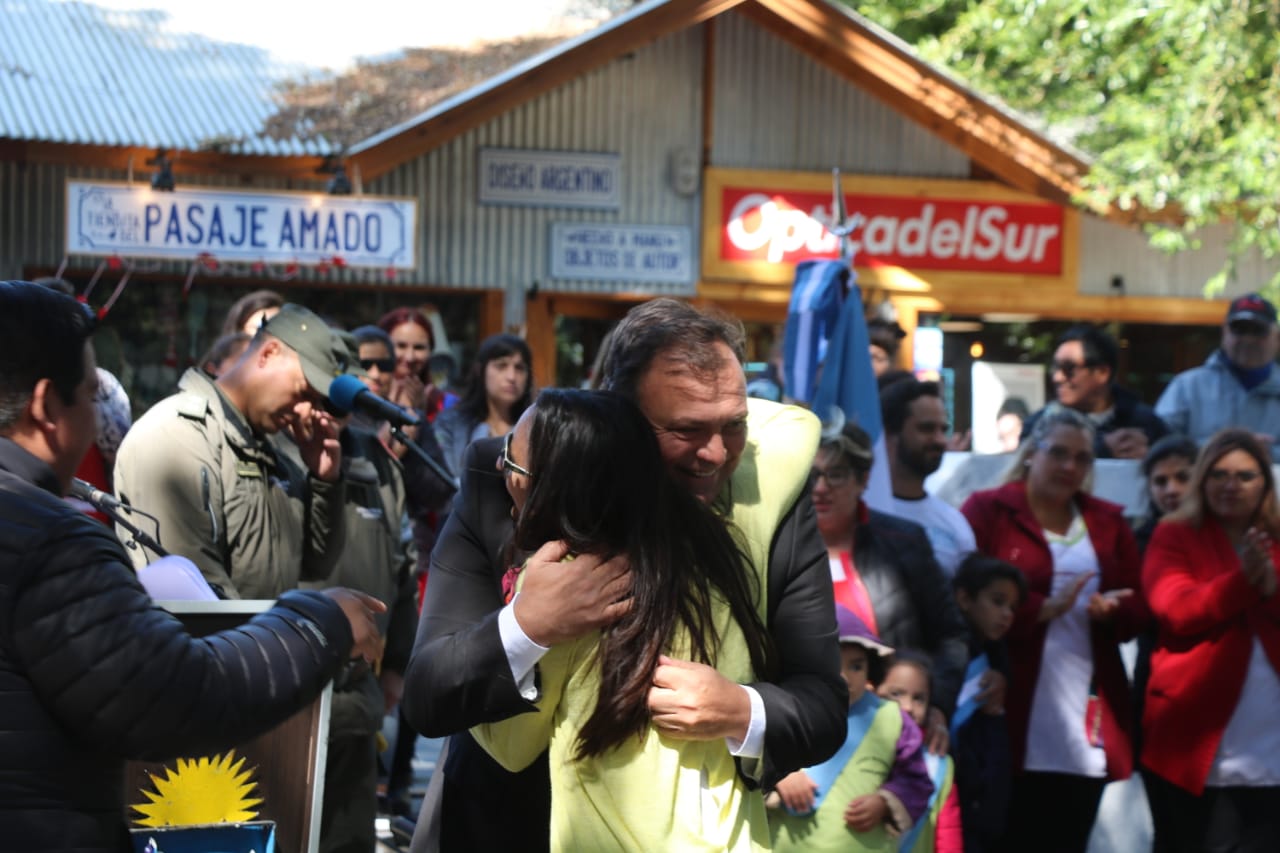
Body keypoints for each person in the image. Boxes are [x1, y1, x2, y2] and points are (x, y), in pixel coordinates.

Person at [402, 297, 847, 852]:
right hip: (501, 828)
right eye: (685, 429)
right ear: (618, 416)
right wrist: (526, 627)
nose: (714, 453)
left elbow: (823, 704)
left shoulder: (773, 487)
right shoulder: (514, 473)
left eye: (733, 425)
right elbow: (427, 693)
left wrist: (739, 710)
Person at [0, 280, 386, 850]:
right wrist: (317, 625)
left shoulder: (277, 447)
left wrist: (323, 484)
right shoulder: (57, 537)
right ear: (44, 407)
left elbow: (308, 558)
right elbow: (169, 689)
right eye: (87, 394)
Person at [472, 389, 777, 850]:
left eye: (513, 465)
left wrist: (518, 626)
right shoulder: (726, 552)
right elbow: (798, 430)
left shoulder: (560, 588)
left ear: (553, 485)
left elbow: (509, 747)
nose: (498, 469)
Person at [960, 408, 1149, 853]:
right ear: (1031, 453)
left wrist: (1113, 611)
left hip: (1086, 717)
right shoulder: (989, 510)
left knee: (1069, 834)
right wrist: (1037, 611)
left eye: (1083, 459)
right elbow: (962, 601)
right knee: (1002, 835)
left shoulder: (1107, 520)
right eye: (1058, 453)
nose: (1070, 467)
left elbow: (1138, 607)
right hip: (1006, 704)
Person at [114, 303, 349, 599]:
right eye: (303, 392)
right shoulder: (176, 436)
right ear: (268, 353)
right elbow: (191, 602)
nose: (307, 412)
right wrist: (288, 631)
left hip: (259, 643)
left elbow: (316, 565)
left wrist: (324, 481)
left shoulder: (272, 451)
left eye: (317, 402)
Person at [297, 336, 419, 853]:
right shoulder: (282, 450)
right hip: (294, 698)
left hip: (361, 699)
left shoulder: (380, 460)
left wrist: (396, 664)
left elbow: (404, 569)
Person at [1141, 429, 1280, 852]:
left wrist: (1271, 588)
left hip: (1270, 748)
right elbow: (1176, 610)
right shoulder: (1174, 535)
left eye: (1245, 475)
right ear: (1202, 480)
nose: (1231, 485)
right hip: (1194, 744)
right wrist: (1245, 582)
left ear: (1265, 484)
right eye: (1218, 474)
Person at [810, 421, 970, 754]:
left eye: (836, 474)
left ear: (863, 479)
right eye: (811, 477)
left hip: (892, 731)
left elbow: (951, 635)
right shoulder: (776, 546)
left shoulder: (905, 541)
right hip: (808, 726)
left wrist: (937, 705)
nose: (821, 488)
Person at [769, 607, 932, 853]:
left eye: (856, 666)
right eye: (834, 663)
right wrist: (779, 775)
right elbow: (746, 759)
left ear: (872, 668)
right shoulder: (780, 706)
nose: (846, 677)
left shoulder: (893, 719)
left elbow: (916, 780)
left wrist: (885, 802)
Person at [950, 553, 1027, 853]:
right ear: (964, 598)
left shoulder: (996, 663)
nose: (1007, 614)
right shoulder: (946, 660)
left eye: (1012, 607)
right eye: (997, 601)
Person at [1156, 293, 1280, 461]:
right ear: (1224, 333)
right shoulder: (1187, 387)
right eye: (1239, 329)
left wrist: (1269, 454)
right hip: (1200, 487)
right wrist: (1218, 448)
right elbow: (1158, 445)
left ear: (1277, 338)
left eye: (1258, 331)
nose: (1248, 339)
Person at [1021, 324, 1168, 460]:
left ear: (1102, 373)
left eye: (1068, 368)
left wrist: (1152, 458)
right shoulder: (1036, 425)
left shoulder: (1146, 424)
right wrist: (1101, 449)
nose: (1057, 377)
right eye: (1055, 367)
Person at [880, 378, 977, 575]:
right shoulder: (859, 511)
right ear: (891, 433)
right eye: (926, 429)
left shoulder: (955, 524)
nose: (940, 440)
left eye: (943, 429)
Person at [878, 651, 963, 853]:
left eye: (919, 699)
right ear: (872, 691)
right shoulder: (847, 746)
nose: (907, 707)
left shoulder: (937, 765)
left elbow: (948, 832)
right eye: (896, 694)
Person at [432, 333, 534, 477]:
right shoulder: (450, 423)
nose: (512, 377)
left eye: (519, 368)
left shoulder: (536, 428)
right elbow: (446, 480)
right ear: (480, 370)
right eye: (501, 366)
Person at [378, 306, 451, 424]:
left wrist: (420, 412)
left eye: (419, 347)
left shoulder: (446, 404)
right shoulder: (367, 395)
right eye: (401, 346)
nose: (410, 357)